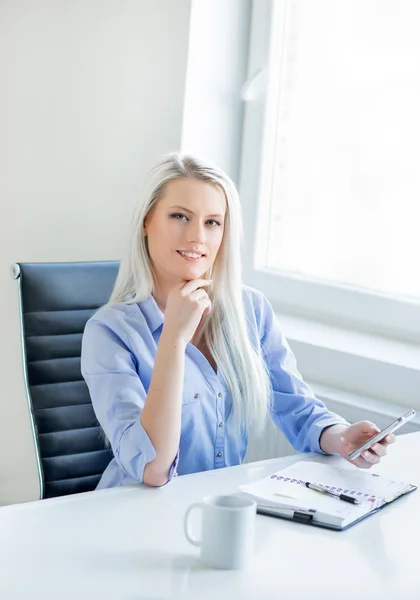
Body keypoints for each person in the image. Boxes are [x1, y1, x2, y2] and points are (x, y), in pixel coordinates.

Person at [81, 152, 395, 489]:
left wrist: (343, 438)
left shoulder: (251, 310)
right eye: (180, 216)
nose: (197, 236)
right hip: (133, 515)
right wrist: (173, 338)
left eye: (212, 222)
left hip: (220, 511)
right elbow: (153, 468)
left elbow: (300, 411)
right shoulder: (110, 332)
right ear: (146, 221)